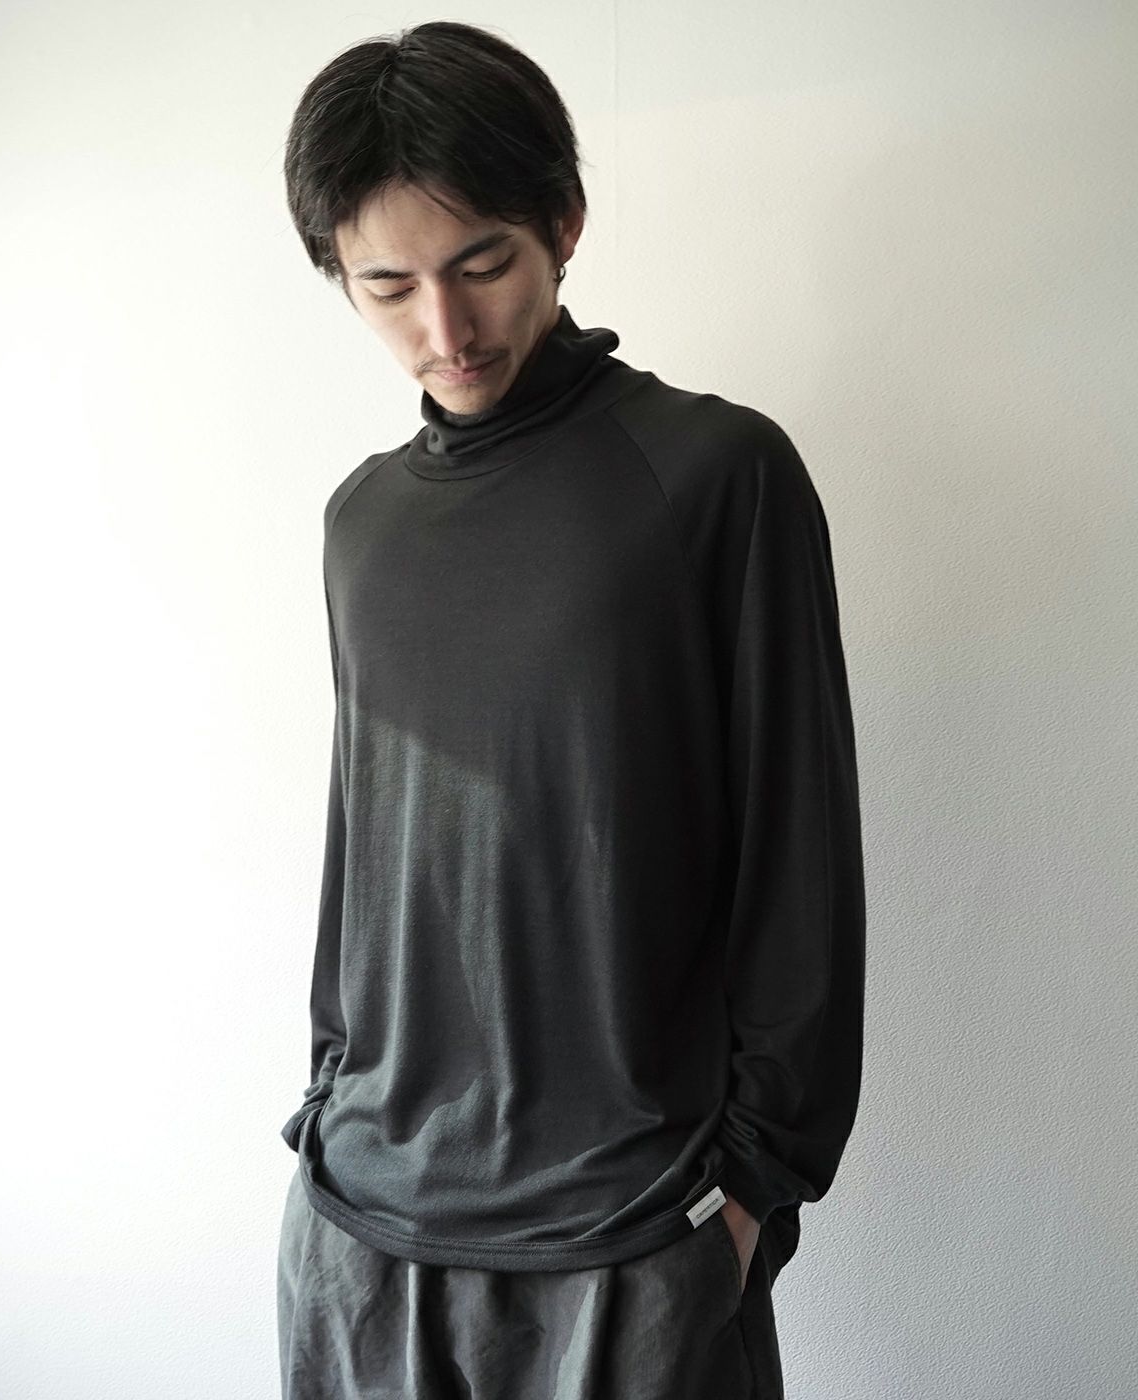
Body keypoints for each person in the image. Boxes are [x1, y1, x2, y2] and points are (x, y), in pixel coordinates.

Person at [275, 20, 865, 1400]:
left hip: (632, 1239)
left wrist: (750, 1191)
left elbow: (800, 854)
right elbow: (370, 848)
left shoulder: (717, 475)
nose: (444, 329)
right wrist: (325, 1094)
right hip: (361, 1233)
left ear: (563, 224)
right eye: (388, 286)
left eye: (481, 264)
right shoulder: (361, 522)